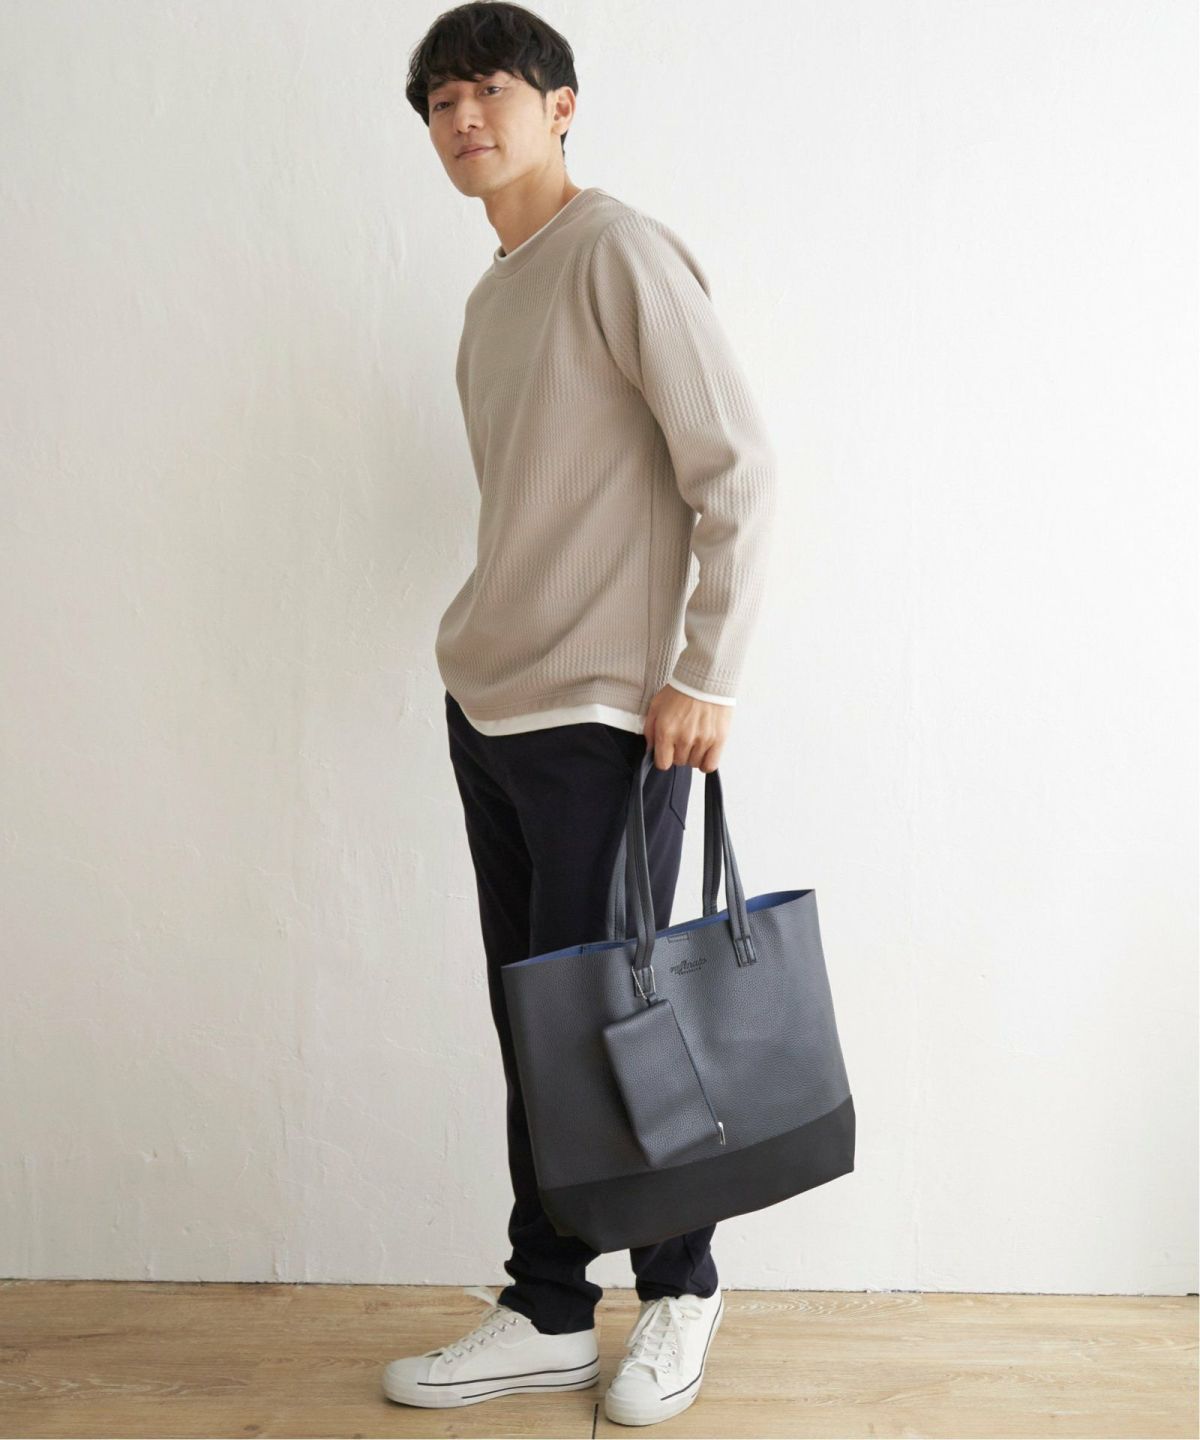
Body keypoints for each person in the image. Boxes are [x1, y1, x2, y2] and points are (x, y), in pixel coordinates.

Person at [384, 2, 778, 1425]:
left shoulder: (618, 251)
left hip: (609, 718)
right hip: (491, 708)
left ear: (559, 106)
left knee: (619, 1023)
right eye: (440, 104)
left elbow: (738, 469)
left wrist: (705, 670)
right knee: (538, 1025)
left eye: (487, 90)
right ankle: (551, 1305)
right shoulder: (493, 298)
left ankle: (682, 1287)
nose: (463, 119)